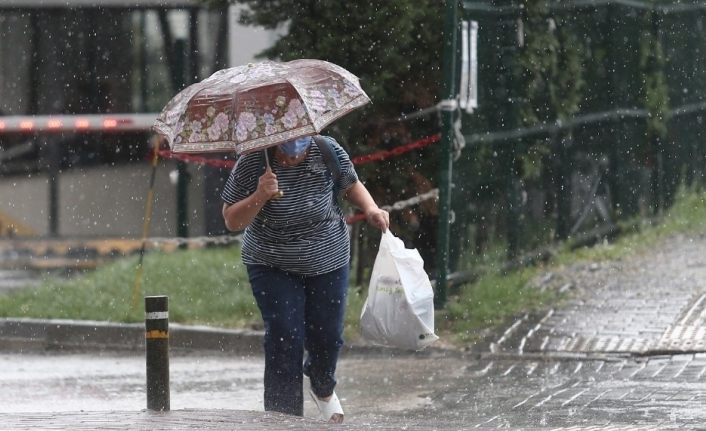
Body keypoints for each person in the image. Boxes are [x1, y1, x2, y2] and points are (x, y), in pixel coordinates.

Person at [221, 134, 389, 423]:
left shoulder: (326, 149)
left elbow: (350, 184)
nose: (293, 155)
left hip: (328, 258)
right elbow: (232, 220)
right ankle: (282, 417)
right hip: (271, 262)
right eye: (287, 150)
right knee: (285, 335)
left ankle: (323, 386)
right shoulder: (253, 161)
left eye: (300, 147)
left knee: (328, 335)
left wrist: (371, 208)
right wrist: (260, 194)